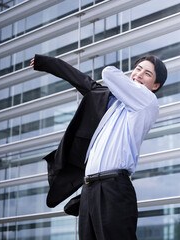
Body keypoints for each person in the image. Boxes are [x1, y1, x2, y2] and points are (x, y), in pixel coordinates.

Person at [30, 54, 167, 240]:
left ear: (155, 86)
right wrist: (46, 63)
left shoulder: (146, 102)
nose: (139, 74)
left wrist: (115, 87)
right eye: (138, 69)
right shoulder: (112, 104)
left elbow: (109, 73)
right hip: (89, 189)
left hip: (113, 188)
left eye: (148, 73)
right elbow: (82, 81)